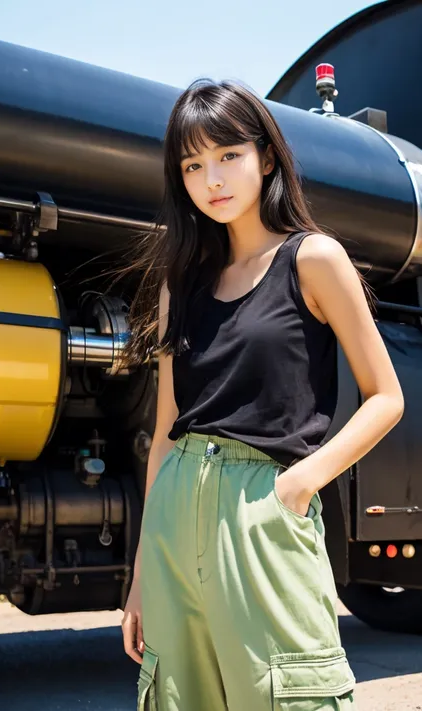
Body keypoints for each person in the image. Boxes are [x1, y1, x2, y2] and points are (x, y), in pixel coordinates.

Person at [120, 79, 404, 711]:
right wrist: (140, 574)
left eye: (227, 156)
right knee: (178, 697)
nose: (211, 179)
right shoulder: (179, 284)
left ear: (266, 157)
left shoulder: (314, 259)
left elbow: (386, 396)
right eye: (192, 165)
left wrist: (297, 486)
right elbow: (166, 430)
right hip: (173, 517)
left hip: (263, 508)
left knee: (290, 694)